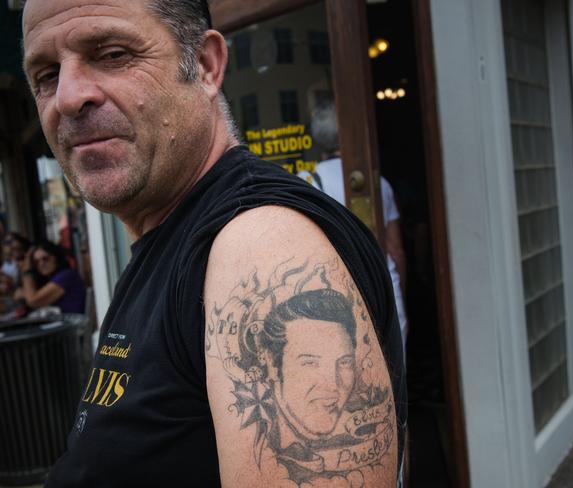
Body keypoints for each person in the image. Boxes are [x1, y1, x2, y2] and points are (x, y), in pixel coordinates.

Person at [22, 0, 406, 486]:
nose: (68, 96)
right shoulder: (166, 237)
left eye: (113, 53)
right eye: (46, 75)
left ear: (204, 66)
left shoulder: (261, 244)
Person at [299, 103, 409, 346]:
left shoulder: (305, 184)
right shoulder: (376, 182)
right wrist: (400, 288)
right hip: (384, 290)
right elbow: (396, 249)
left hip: (337, 297)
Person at [15, 240, 86, 314]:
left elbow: (33, 301)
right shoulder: (50, 278)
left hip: (74, 323)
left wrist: (27, 271)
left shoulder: (67, 275)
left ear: (56, 257)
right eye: (36, 262)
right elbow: (17, 295)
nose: (41, 264)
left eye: (45, 259)